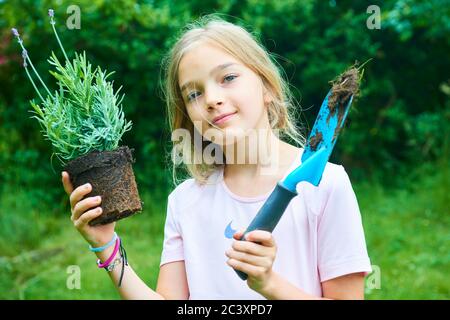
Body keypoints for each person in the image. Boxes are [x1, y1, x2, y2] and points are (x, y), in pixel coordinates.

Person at [61, 15, 371, 300]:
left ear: (266, 86)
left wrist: (270, 284)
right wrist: (105, 246)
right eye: (194, 94)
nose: (212, 99)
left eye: (228, 78)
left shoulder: (327, 185)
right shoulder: (185, 201)